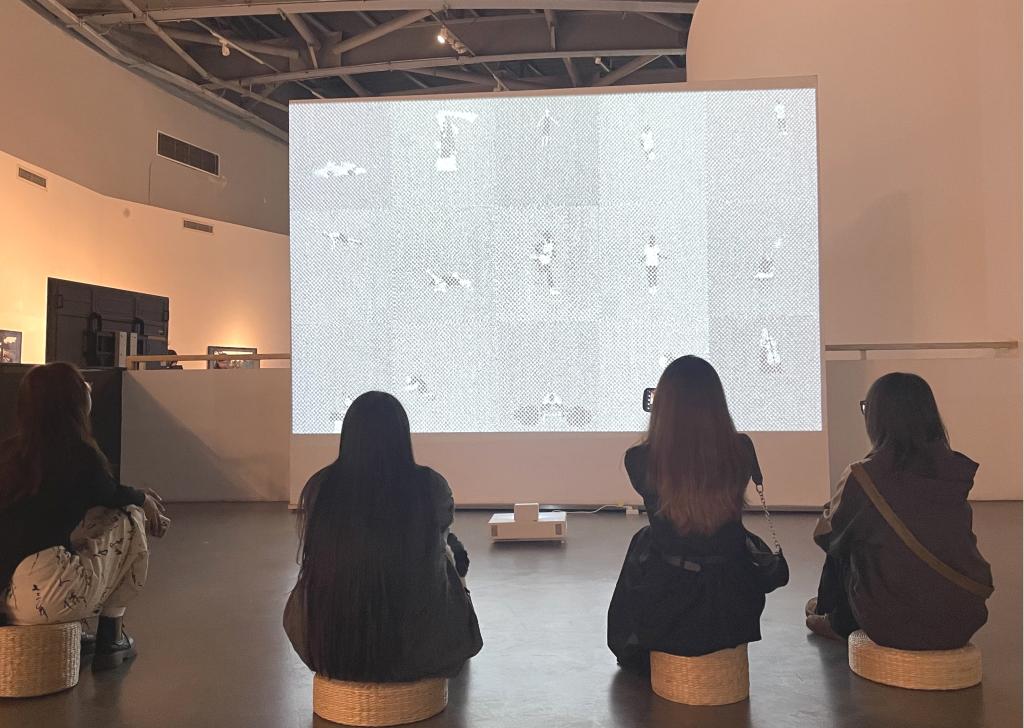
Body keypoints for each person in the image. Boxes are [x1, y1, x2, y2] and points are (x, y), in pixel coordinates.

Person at [284, 391, 482, 682]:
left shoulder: (320, 486)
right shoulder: (430, 486)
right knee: (451, 552)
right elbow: (439, 538)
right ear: (402, 435)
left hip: (326, 647)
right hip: (422, 651)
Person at [0, 362, 169, 670]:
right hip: (52, 598)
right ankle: (112, 635)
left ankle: (77, 631)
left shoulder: (9, 453)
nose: (90, 389)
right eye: (83, 386)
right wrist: (143, 500)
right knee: (129, 516)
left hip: (7, 599)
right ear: (73, 403)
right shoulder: (78, 455)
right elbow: (114, 495)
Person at [807, 373, 993, 649]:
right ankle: (833, 611)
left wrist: (832, 508)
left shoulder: (866, 475)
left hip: (894, 622)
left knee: (845, 539)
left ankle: (839, 621)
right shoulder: (953, 469)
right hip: (964, 616)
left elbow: (827, 536)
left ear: (878, 418)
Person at [608, 356, 767, 673]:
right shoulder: (742, 449)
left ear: (662, 407)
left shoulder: (639, 459)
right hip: (735, 604)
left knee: (644, 541)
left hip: (670, 604)